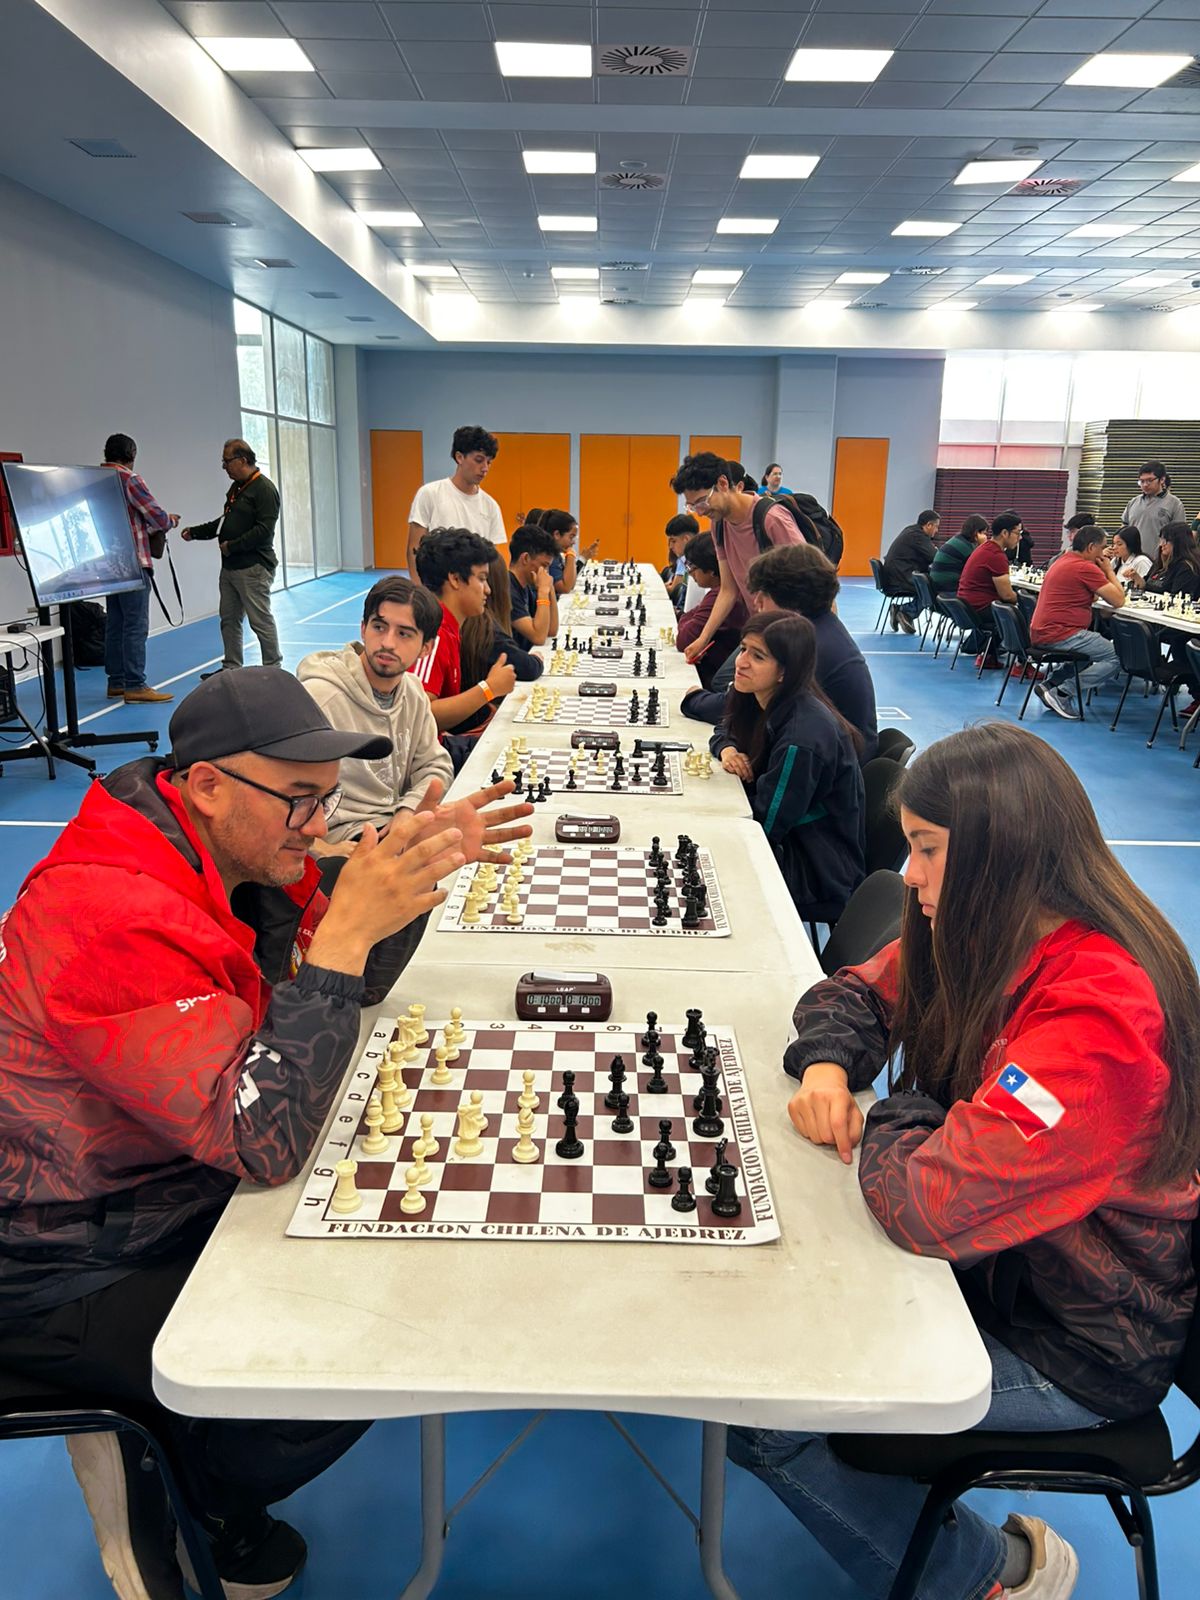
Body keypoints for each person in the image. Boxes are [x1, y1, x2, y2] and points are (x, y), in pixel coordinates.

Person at [0, 667, 532, 1600]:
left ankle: (193, 1464)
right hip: (65, 1254)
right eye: (299, 800)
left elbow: (352, 989)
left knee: (397, 1264)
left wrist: (403, 888)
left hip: (167, 1176)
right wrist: (342, 941)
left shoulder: (229, 856)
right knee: (361, 1344)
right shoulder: (109, 912)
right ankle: (180, 1489)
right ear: (206, 785)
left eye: (326, 799)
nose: (319, 827)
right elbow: (263, 1140)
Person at [730, 722, 1200, 1600]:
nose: (909, 875)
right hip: (997, 1270)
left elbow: (928, 1206)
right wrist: (829, 1066)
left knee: (767, 1416)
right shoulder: (988, 929)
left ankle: (996, 1577)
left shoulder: (1098, 1020)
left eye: (927, 849)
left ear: (999, 851)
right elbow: (853, 992)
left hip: (1075, 1345)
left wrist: (900, 1112)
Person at [710, 611, 865, 926]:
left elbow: (765, 827)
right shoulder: (760, 697)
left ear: (784, 672)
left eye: (758, 656)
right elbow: (724, 727)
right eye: (743, 649)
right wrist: (727, 749)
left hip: (814, 870)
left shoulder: (801, 739)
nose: (741, 662)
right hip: (792, 844)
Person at [296, 575, 452, 854]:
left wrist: (408, 810)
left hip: (390, 824)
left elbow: (435, 765)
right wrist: (322, 850)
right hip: (339, 838)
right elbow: (275, 791)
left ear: (426, 648)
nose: (388, 643)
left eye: (404, 634)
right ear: (363, 628)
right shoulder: (321, 697)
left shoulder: (413, 693)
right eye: (379, 627)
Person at [683, 543, 879, 763]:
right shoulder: (823, 629)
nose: (756, 603)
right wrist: (725, 742)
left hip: (825, 767)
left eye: (764, 594)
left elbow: (739, 708)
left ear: (791, 599)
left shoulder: (805, 646)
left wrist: (693, 699)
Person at [671, 452, 808, 662]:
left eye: (702, 502)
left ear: (723, 483)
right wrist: (703, 638)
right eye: (692, 507)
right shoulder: (718, 524)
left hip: (791, 632)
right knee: (725, 679)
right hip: (759, 628)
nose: (700, 512)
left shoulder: (771, 519)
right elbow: (728, 589)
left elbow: (811, 579)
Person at [181, 439, 281, 676]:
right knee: (229, 619)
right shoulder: (237, 489)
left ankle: (274, 670)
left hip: (253, 568)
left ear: (243, 460)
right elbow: (225, 523)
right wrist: (195, 532)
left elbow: (264, 531)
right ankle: (231, 667)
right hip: (230, 568)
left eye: (227, 461)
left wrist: (232, 547)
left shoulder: (264, 490)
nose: (224, 467)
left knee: (260, 621)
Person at [411, 527, 516, 738]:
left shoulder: (450, 628)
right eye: (482, 578)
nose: (488, 589)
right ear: (455, 579)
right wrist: (488, 689)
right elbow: (418, 715)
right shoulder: (434, 634)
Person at [102, 432, 178, 704]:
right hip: (133, 563)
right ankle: (135, 685)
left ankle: (116, 682)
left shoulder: (97, 479)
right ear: (131, 455)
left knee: (115, 624)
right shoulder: (130, 479)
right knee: (135, 625)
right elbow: (157, 517)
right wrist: (170, 520)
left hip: (109, 564)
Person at [1030, 525, 1125, 720]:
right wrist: (1108, 570)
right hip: (1060, 633)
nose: (1104, 553)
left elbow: (1092, 596)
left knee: (1087, 654)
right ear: (1091, 547)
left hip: (1044, 630)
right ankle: (1063, 692)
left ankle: (1051, 684)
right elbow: (1118, 600)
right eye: (1102, 548)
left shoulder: (1063, 560)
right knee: (1118, 656)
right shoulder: (1084, 567)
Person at [456, 550, 545, 735]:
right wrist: (544, 591)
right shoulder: (484, 629)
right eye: (481, 579)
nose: (487, 589)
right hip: (472, 726)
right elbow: (532, 659)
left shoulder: (479, 625)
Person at [406, 425, 505, 576]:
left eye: (489, 462)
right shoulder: (429, 494)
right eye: (479, 460)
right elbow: (414, 550)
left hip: (473, 586)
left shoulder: (490, 506)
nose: (485, 468)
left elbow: (491, 560)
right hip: (435, 584)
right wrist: (420, 589)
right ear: (459, 457)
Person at [675, 532, 747, 689]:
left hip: (711, 682)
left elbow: (684, 639)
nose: (689, 573)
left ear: (712, 571)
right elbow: (688, 617)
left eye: (692, 567)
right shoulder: (716, 593)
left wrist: (686, 618)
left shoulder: (719, 596)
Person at [957, 512, 1023, 668]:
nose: (1020, 537)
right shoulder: (996, 555)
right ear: (1005, 533)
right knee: (1024, 614)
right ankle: (1022, 665)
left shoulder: (984, 548)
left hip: (967, 606)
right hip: (980, 608)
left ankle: (988, 655)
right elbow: (1007, 596)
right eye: (1017, 533)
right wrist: (1028, 600)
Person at [880, 509, 940, 635]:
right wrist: (935, 550)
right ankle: (906, 612)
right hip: (899, 578)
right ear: (929, 525)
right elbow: (935, 557)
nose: (937, 530)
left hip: (895, 575)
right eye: (936, 526)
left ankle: (900, 610)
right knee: (930, 587)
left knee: (926, 582)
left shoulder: (911, 531)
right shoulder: (919, 536)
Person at [507, 522, 559, 647]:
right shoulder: (507, 590)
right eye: (544, 565)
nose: (546, 572)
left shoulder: (526, 586)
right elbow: (539, 637)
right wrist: (543, 592)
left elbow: (551, 630)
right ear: (525, 558)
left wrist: (550, 588)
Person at [1122, 460, 1187, 547]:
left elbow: (1180, 537)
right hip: (1135, 555)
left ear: (1162, 479)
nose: (1145, 485)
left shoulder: (1174, 504)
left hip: (1160, 555)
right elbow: (1123, 531)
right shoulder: (1133, 503)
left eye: (1149, 480)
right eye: (1142, 481)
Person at [539, 509, 598, 596]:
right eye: (571, 537)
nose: (573, 542)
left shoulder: (556, 555)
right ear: (557, 534)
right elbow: (566, 588)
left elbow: (571, 583)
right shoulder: (550, 557)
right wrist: (571, 554)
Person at [928, 514, 988, 595]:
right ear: (976, 533)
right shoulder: (966, 547)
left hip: (939, 587)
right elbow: (979, 570)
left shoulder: (959, 540)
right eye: (984, 533)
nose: (986, 537)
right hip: (947, 590)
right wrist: (983, 546)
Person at [661, 514, 696, 612]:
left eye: (674, 541)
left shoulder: (696, 564)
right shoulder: (685, 561)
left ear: (686, 539)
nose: (670, 546)